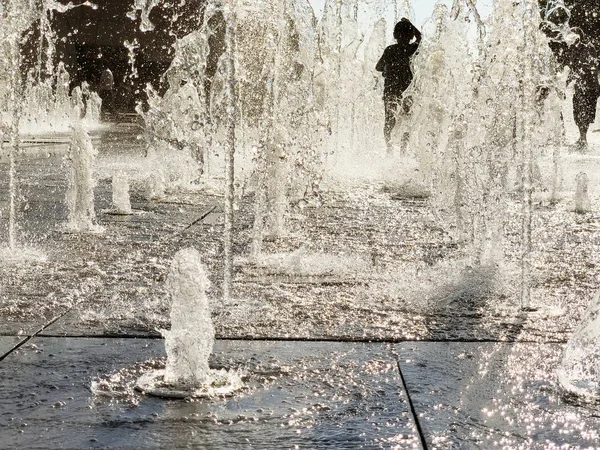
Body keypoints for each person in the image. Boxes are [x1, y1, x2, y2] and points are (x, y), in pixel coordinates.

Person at [539, 0, 600, 150]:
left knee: (583, 111)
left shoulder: (586, 48)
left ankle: (582, 140)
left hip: (588, 86)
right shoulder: (570, 49)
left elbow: (584, 66)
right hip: (582, 85)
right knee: (575, 110)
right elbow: (569, 65)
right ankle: (571, 137)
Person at [376, 18, 422, 152]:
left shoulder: (390, 50)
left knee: (389, 120)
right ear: (410, 36)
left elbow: (378, 67)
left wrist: (388, 67)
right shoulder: (411, 49)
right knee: (406, 119)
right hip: (407, 90)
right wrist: (411, 25)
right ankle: (403, 150)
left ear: (395, 35)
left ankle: (389, 148)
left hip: (391, 90)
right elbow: (420, 37)